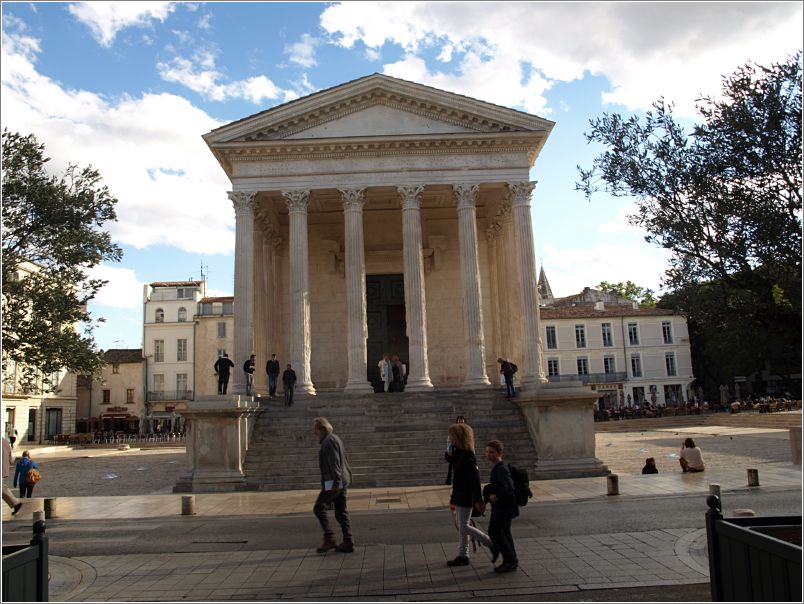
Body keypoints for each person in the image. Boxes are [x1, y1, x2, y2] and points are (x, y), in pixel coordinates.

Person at [447, 422, 494, 567]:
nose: (449, 438)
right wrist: (448, 448)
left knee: (463, 526)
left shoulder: (468, 456)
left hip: (466, 495)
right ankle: (463, 555)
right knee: (461, 526)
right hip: (459, 493)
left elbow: (475, 480)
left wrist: (478, 500)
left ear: (459, 437)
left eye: (451, 436)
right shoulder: (459, 454)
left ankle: (491, 543)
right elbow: (449, 459)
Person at [312, 417, 354, 554]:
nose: (314, 432)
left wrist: (335, 483)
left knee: (319, 507)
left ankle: (329, 537)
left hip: (334, 481)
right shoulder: (335, 439)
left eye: (316, 429)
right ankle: (348, 541)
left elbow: (334, 462)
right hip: (342, 479)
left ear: (323, 429)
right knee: (341, 511)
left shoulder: (328, 442)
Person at [483, 440, 519, 573]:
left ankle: (509, 559)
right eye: (487, 452)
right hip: (505, 507)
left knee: (495, 531)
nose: (488, 455)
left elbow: (508, 486)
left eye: (492, 452)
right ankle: (511, 560)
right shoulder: (498, 467)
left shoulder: (501, 468)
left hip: (503, 507)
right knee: (504, 532)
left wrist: (496, 495)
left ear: (500, 453)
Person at [2, 437, 22, 516]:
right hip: (4, 469)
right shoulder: (5, 442)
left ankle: (15, 503)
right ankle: (15, 503)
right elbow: (11, 459)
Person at [444, 415, 466, 485]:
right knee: (453, 467)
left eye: (462, 422)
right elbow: (449, 441)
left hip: (462, 451)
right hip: (454, 451)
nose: (461, 423)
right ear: (457, 422)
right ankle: (451, 481)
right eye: (459, 421)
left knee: (458, 468)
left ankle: (455, 481)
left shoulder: (465, 430)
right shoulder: (453, 430)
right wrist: (450, 452)